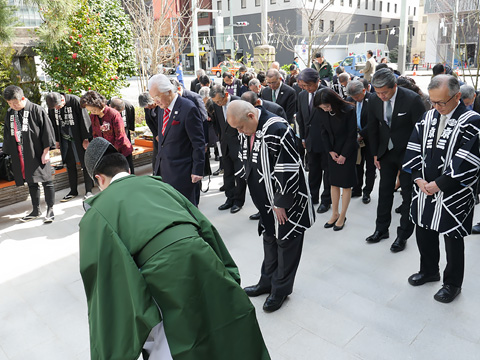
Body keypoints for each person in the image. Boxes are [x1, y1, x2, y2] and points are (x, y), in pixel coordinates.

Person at [79, 137, 271, 360]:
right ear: (127, 168)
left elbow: (104, 281)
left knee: (179, 345)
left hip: (162, 279)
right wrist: (227, 274)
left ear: (99, 179)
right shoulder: (160, 185)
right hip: (205, 261)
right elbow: (206, 228)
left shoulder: (96, 212)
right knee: (229, 328)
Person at [227, 101, 315, 312]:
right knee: (269, 239)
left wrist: (281, 202)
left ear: (251, 116)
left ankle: (281, 290)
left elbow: (289, 167)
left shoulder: (277, 128)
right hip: (266, 201)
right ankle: (266, 281)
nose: (240, 132)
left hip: (287, 202)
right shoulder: (247, 129)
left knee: (286, 242)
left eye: (240, 127)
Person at [403, 75, 480, 303]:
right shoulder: (428, 116)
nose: (436, 107)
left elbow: (468, 160)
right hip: (424, 188)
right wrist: (417, 179)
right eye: (433, 102)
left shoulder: (472, 121)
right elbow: (414, 147)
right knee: (424, 231)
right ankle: (429, 270)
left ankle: (452, 283)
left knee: (452, 238)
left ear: (457, 96)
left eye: (441, 102)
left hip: (453, 193)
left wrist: (439, 184)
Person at [365, 68, 427, 252]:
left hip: (408, 154)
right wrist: (375, 153)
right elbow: (373, 127)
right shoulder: (374, 99)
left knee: (408, 195)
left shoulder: (412, 99)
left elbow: (421, 131)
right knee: (384, 192)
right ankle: (381, 229)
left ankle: (402, 235)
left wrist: (418, 157)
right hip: (386, 152)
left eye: (385, 92)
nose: (382, 96)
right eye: (378, 92)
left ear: (394, 86)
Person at [148, 74, 205, 207]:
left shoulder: (188, 108)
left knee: (186, 211)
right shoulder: (162, 108)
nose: (155, 101)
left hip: (183, 172)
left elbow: (198, 142)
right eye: (153, 98)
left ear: (168, 91)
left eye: (157, 96)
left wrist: (197, 169)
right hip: (164, 170)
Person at [2, 85, 56, 223]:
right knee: (31, 182)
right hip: (21, 152)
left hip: (37, 151)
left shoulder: (37, 109)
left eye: (15, 103)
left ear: (23, 98)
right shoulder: (10, 112)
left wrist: (46, 152)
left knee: (46, 180)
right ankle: (35, 210)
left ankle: (50, 209)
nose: (13, 106)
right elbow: (8, 132)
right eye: (9, 103)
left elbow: (47, 131)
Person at [314, 88, 357, 230]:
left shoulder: (349, 110)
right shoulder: (322, 111)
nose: (325, 110)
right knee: (333, 183)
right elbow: (323, 132)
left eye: (326, 106)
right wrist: (330, 151)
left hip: (347, 151)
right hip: (332, 151)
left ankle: (343, 215)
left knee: (345, 184)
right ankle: (334, 213)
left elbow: (352, 135)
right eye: (322, 108)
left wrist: (344, 155)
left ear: (333, 101)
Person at [45, 91, 93, 201]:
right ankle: (73, 191)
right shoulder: (53, 106)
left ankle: (89, 190)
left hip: (79, 138)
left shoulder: (75, 101)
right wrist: (56, 140)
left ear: (62, 99)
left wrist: (86, 138)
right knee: (69, 164)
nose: (56, 109)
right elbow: (53, 123)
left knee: (85, 163)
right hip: (65, 138)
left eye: (58, 106)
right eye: (54, 108)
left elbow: (84, 119)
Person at [296, 68, 331, 213]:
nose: (306, 88)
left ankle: (326, 200)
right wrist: (303, 137)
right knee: (313, 171)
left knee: (327, 173)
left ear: (318, 81)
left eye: (309, 85)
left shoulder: (327, 93)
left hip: (326, 140)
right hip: (310, 140)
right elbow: (301, 118)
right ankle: (313, 196)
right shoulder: (302, 95)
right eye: (303, 86)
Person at [209, 85, 246, 213]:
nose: (218, 104)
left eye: (219, 101)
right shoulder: (216, 106)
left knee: (240, 174)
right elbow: (218, 124)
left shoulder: (238, 102)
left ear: (225, 95)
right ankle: (229, 198)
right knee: (227, 173)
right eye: (215, 102)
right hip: (225, 144)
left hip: (238, 144)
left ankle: (238, 201)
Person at [80, 91, 135, 174]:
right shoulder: (93, 116)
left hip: (121, 151)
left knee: (125, 174)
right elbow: (95, 135)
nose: (93, 112)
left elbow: (120, 136)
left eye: (94, 109)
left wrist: (112, 152)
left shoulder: (113, 114)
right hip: (106, 153)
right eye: (90, 110)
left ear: (99, 104)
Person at [346, 80, 375, 204]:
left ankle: (367, 191)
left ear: (364, 90)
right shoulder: (349, 100)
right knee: (357, 164)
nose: (355, 99)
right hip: (355, 138)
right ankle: (356, 188)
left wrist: (362, 134)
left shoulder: (373, 99)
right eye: (353, 97)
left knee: (370, 166)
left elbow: (374, 121)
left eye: (357, 96)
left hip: (370, 138)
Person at [138, 92, 159, 172]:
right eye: (147, 107)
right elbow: (148, 121)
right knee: (156, 155)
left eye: (150, 105)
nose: (149, 108)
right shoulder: (147, 108)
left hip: (164, 132)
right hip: (156, 134)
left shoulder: (161, 106)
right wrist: (156, 134)